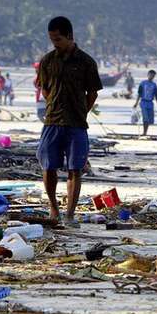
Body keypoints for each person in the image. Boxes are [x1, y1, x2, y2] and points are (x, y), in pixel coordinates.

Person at [36, 16, 103, 226]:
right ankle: (54, 208)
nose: (55, 43)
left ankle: (70, 214)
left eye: (58, 39)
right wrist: (55, 105)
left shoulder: (86, 62)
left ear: (69, 36)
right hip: (52, 121)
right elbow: (44, 89)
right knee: (48, 167)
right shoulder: (47, 61)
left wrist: (81, 110)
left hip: (76, 123)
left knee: (75, 169)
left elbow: (92, 93)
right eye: (52, 39)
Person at [133, 70, 157, 136]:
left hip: (150, 103)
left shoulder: (154, 85)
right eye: (150, 75)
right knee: (145, 118)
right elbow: (139, 93)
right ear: (148, 75)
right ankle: (144, 132)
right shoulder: (143, 83)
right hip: (143, 102)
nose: (151, 76)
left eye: (153, 76)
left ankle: (145, 131)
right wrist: (136, 103)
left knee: (150, 119)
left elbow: (156, 95)